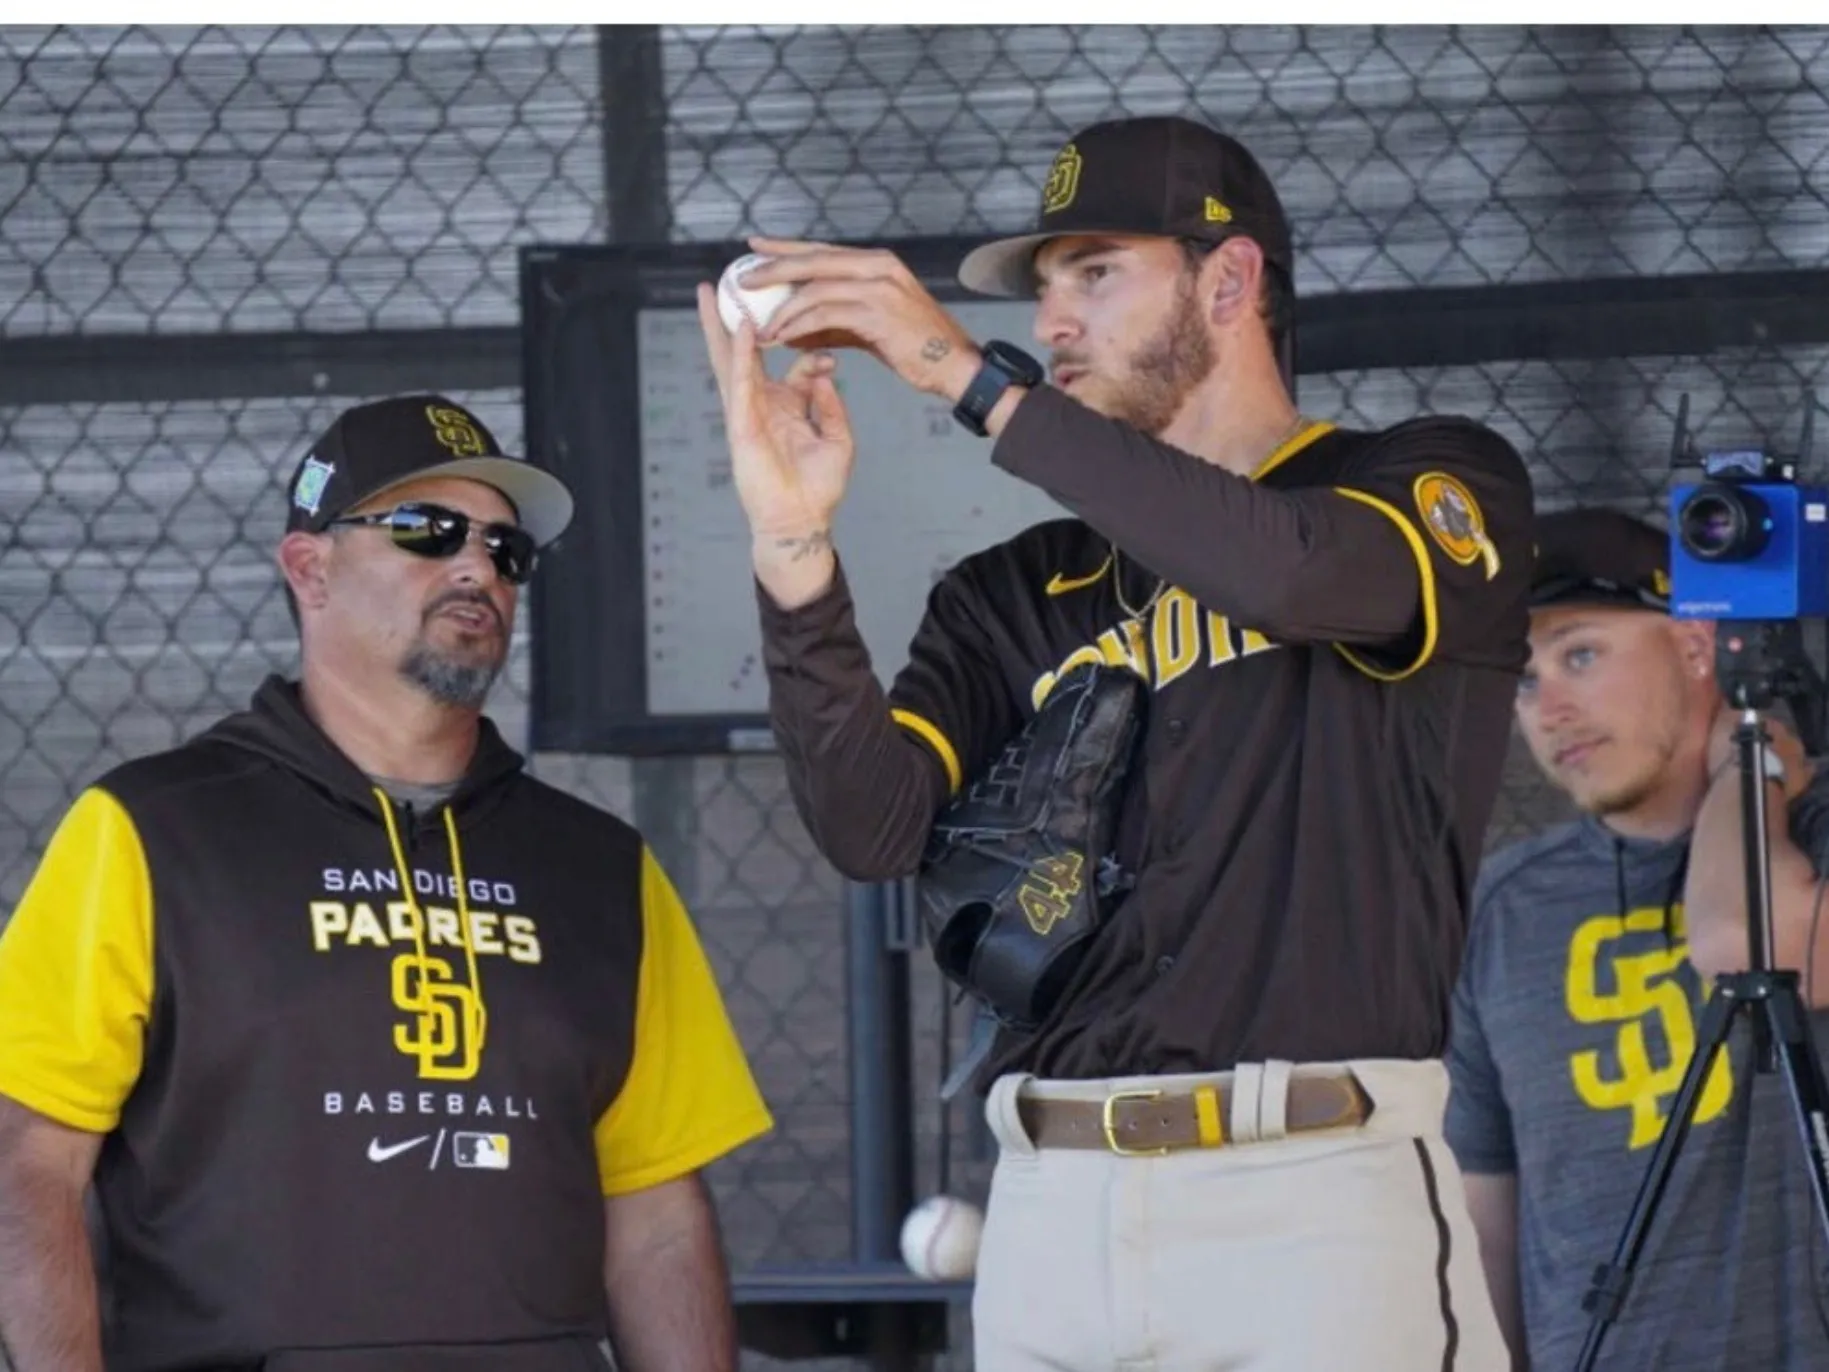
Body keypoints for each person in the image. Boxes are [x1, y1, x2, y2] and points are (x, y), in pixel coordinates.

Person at [697, 113, 1535, 1371]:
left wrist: (963, 378)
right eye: (1042, 290)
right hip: (1049, 1205)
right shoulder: (1010, 589)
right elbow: (870, 827)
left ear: (1230, 279)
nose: (1051, 324)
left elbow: (1292, 576)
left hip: (1310, 1190)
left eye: (1094, 272)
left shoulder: (1415, 480)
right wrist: (790, 548)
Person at [0, 395, 774, 1372]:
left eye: (505, 549)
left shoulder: (601, 870)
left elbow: (657, 1208)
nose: (476, 567)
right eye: (425, 530)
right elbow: (28, 1162)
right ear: (309, 568)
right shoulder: (151, 830)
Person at [1444, 505, 1829, 1371]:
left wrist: (1751, 757)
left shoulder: (1811, 832)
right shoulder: (1503, 909)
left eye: (1580, 653)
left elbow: (1752, 941)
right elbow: (1486, 1219)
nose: (1550, 708)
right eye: (1522, 676)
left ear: (1696, 647)